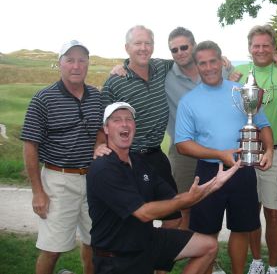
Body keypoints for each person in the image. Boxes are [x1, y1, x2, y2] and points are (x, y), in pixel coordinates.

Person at [87, 102, 241, 274]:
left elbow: (174, 199)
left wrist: (213, 185)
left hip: (147, 242)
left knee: (208, 246)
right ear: (106, 129)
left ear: (134, 126)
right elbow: (143, 213)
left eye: (129, 119)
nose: (124, 124)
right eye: (116, 120)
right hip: (116, 257)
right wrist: (186, 200)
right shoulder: (103, 168)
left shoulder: (139, 162)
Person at [175, 40, 274, 274]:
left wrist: (268, 150)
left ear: (221, 61)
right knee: (206, 234)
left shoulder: (241, 92)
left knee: (241, 230)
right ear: (197, 66)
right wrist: (219, 154)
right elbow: (182, 145)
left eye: (212, 61)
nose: (208, 67)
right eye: (202, 63)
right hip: (209, 173)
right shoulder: (189, 101)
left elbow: (263, 125)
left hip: (243, 170)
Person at [21, 40, 103, 274]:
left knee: (94, 243)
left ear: (87, 64)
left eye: (81, 60)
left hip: (93, 180)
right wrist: (38, 191)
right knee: (52, 249)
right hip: (58, 180)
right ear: (60, 64)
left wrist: (99, 145)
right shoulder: (43, 99)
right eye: (70, 60)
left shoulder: (96, 97)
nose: (76, 66)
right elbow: (30, 146)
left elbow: (100, 129)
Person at [98, 25, 181, 228]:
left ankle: (158, 259)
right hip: (128, 159)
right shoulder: (115, 82)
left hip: (155, 155)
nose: (143, 48)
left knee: (174, 216)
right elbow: (102, 122)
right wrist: (99, 145)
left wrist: (222, 60)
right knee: (137, 222)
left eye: (148, 43)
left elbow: (186, 59)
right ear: (127, 47)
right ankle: (141, 258)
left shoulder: (161, 67)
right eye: (138, 43)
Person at [231, 25, 277, 274]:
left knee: (273, 214)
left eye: (266, 45)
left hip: (274, 152)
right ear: (249, 48)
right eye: (256, 45)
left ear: (275, 48)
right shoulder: (237, 73)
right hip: (244, 152)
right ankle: (256, 261)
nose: (261, 49)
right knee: (249, 212)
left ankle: (274, 266)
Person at [165, 26, 233, 232]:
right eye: (174, 50)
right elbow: (139, 63)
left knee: (211, 206)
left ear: (193, 46)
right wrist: (121, 66)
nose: (179, 53)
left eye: (184, 47)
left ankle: (205, 255)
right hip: (184, 152)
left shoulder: (222, 69)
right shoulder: (166, 76)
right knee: (185, 204)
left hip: (216, 151)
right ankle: (186, 253)